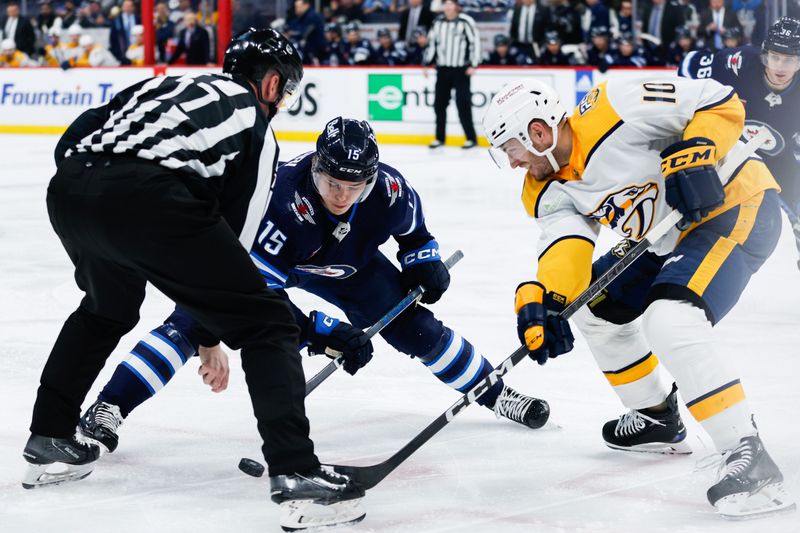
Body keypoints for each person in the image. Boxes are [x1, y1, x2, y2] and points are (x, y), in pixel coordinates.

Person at [22, 28, 363, 532]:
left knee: (105, 308)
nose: (281, 102)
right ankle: (296, 473)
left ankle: (49, 436)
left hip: (71, 189)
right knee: (267, 323)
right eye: (285, 92)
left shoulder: (168, 83)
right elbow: (234, 246)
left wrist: (95, 198)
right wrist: (209, 336)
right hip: (149, 197)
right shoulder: (253, 124)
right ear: (271, 84)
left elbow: (76, 138)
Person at [77, 116, 551, 456]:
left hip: (353, 268)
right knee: (193, 320)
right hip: (271, 265)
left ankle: (495, 392)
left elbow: (417, 238)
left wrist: (424, 262)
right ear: (315, 170)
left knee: (415, 330)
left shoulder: (389, 190)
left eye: (355, 186)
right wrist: (321, 331)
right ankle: (108, 407)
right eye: (331, 183)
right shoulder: (280, 204)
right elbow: (255, 305)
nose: (343, 196)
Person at [482, 75, 793, 519]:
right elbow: (567, 243)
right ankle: (656, 417)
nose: (513, 163)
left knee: (670, 319)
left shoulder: (617, 103)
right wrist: (546, 300)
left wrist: (696, 154)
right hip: (665, 235)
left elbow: (720, 101)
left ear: (538, 132)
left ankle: (748, 454)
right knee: (595, 308)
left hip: (733, 204)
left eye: (511, 150)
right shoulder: (543, 187)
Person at [680, 17, 800, 269]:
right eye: (774, 57)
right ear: (763, 55)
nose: (780, 67)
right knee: (697, 192)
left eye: (790, 60)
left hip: (783, 158)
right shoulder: (739, 62)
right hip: (732, 148)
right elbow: (691, 63)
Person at [424, 0, 480, 150]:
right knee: (439, 105)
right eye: (445, 4)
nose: (448, 7)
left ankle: (471, 138)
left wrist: (474, 64)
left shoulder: (466, 21)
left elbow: (475, 42)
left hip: (461, 69)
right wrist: (426, 63)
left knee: (463, 104)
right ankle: (439, 137)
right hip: (442, 69)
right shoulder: (438, 22)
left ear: (456, 6)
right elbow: (431, 43)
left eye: (450, 4)